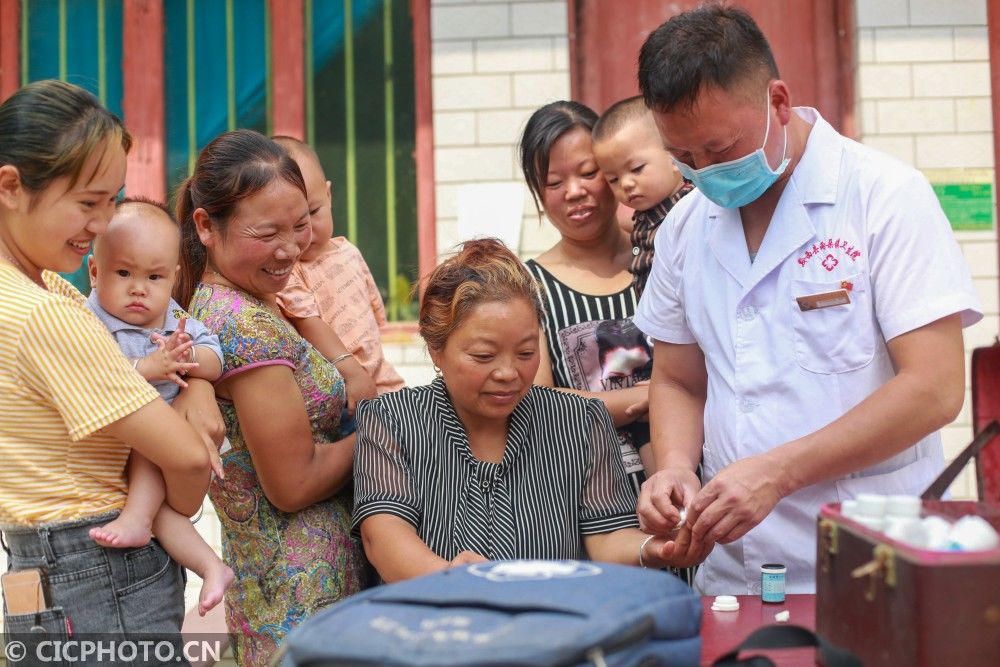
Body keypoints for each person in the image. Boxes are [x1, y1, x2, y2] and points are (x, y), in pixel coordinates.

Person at [633, 5, 982, 595]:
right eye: (684, 159)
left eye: (720, 149)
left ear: (778, 101)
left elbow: (934, 388)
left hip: (873, 552)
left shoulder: (883, 196)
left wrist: (779, 472)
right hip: (736, 569)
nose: (705, 173)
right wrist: (672, 467)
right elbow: (679, 380)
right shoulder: (685, 229)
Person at [353, 238, 710, 582]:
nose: (509, 373)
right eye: (483, 356)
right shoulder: (391, 420)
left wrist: (654, 548)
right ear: (436, 349)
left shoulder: (580, 420)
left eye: (525, 353)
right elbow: (383, 536)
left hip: (553, 629)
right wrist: (449, 578)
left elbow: (606, 537)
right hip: (436, 629)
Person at [0, 80, 211, 640]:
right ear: (11, 186)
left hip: (28, 560)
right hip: (96, 565)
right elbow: (188, 459)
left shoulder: (39, 287)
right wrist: (176, 510)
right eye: (88, 202)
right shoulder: (43, 311)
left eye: (113, 200)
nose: (102, 225)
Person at [177, 129, 366, 666]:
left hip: (288, 589)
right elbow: (293, 482)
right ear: (205, 226)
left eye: (301, 225)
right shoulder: (241, 326)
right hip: (303, 597)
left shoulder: (251, 302)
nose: (291, 249)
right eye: (267, 233)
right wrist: (390, 425)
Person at [85, 198, 234, 616]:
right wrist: (148, 366)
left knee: (149, 466)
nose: (138, 288)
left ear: (174, 278)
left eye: (154, 276)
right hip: (133, 438)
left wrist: (187, 359)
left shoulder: (174, 320)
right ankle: (212, 566)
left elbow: (214, 357)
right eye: (123, 273)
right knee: (165, 515)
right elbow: (96, 381)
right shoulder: (88, 322)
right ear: (95, 272)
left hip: (168, 437)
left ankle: (136, 520)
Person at [519, 101, 654, 492]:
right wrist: (655, 397)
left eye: (588, 173)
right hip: (590, 501)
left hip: (694, 483)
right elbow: (538, 403)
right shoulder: (528, 286)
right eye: (554, 182)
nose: (574, 192)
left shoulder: (663, 256)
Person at [272, 136, 404, 415]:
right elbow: (309, 324)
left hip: (382, 378)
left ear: (329, 195)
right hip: (341, 392)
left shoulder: (349, 251)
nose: (306, 232)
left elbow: (374, 312)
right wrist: (352, 372)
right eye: (291, 225)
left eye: (312, 213)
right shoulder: (288, 271)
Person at [591, 95, 693, 296]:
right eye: (613, 179)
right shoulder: (643, 218)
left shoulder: (691, 211)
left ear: (674, 155)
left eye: (637, 169)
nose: (626, 184)